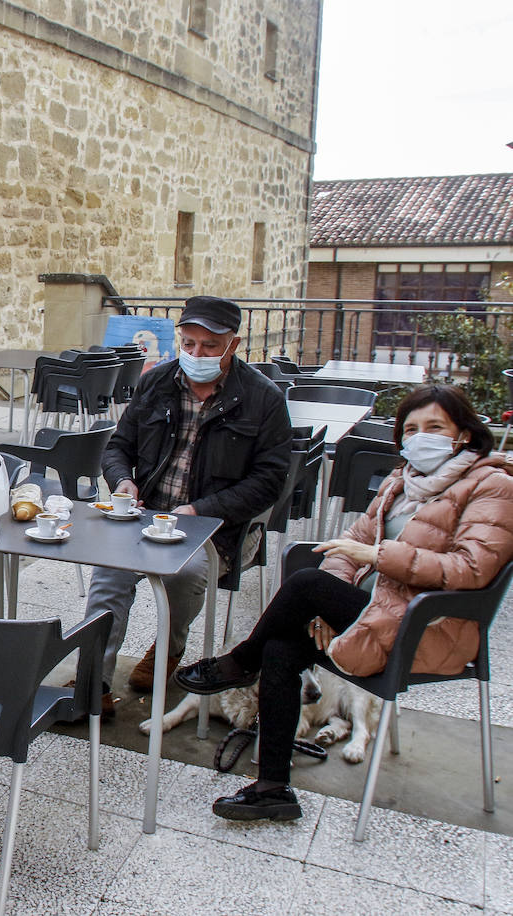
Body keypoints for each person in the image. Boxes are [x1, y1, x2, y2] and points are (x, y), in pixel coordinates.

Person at [177, 384, 513, 821]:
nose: (420, 437)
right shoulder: (402, 480)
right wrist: (328, 608)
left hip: (428, 626)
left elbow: (471, 570)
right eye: (410, 428)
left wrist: (377, 557)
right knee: (282, 647)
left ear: (463, 433)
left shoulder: (494, 487)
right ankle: (273, 788)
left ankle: (239, 663)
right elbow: (350, 541)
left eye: (434, 426)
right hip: (369, 613)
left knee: (303, 584)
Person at [83, 296, 292, 715]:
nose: (196, 354)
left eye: (210, 346)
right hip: (146, 515)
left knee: (184, 574)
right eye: (189, 343)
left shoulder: (263, 399)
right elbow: (119, 447)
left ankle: (170, 647)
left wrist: (202, 510)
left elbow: (270, 480)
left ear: (233, 344)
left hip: (216, 527)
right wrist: (122, 480)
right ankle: (94, 682)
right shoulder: (157, 381)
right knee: (109, 573)